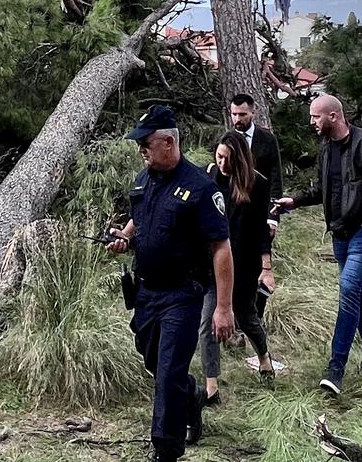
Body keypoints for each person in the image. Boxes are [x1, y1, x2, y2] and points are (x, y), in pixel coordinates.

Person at [107, 105, 236, 461]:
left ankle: (166, 450)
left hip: (183, 293)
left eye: (145, 143)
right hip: (147, 291)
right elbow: (138, 218)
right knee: (155, 360)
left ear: (168, 142)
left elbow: (221, 247)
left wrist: (224, 307)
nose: (141, 150)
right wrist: (124, 237)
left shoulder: (200, 188)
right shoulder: (143, 179)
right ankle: (190, 394)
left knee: (167, 374)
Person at [274, 94, 362, 397]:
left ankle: (336, 369)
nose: (311, 122)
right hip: (340, 234)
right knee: (357, 294)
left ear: (333, 116)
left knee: (347, 289)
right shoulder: (326, 149)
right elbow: (323, 189)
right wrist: (295, 201)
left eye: (315, 116)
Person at [199, 131, 276, 406]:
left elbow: (261, 231)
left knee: (245, 316)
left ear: (240, 159)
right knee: (208, 321)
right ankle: (211, 387)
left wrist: (266, 267)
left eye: (227, 159)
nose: (222, 163)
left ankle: (264, 358)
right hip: (212, 262)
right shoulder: (208, 176)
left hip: (243, 263)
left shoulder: (258, 184)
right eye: (219, 156)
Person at [228, 93, 283, 341]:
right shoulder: (227, 140)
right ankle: (234, 324)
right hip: (234, 216)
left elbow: (275, 178)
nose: (237, 119)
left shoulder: (266, 139)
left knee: (257, 269)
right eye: (234, 114)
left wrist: (273, 216)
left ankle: (253, 319)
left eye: (242, 114)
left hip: (259, 214)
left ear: (253, 113)